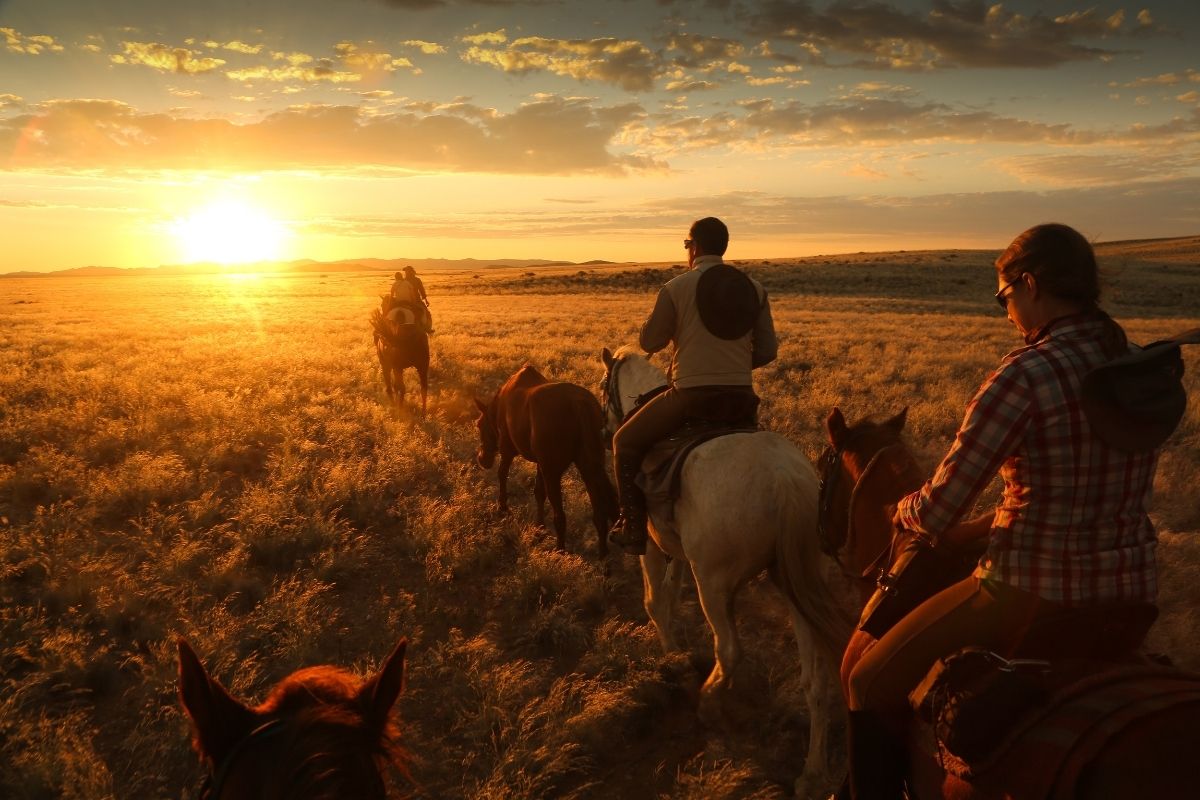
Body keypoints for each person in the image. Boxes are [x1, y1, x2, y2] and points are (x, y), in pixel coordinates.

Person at [840, 223, 1162, 799]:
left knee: (865, 681)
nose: (1006, 310)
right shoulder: (1136, 365)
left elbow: (939, 512)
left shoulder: (1022, 375)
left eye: (1004, 296)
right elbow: (1093, 488)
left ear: (1030, 283)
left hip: (1026, 591)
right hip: (1132, 591)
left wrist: (901, 510)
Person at [607, 216, 778, 555]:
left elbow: (650, 342)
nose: (687, 251)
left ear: (695, 247)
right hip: (742, 400)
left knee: (623, 441)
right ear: (723, 247)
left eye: (687, 245)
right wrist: (735, 365)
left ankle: (633, 527)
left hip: (690, 397)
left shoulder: (676, 287)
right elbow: (769, 350)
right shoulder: (754, 289)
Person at [389, 266, 432, 332]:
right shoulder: (416, 280)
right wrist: (425, 300)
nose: (406, 272)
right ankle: (427, 328)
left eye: (407, 271)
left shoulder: (403, 280)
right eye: (406, 271)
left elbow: (395, 292)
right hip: (415, 300)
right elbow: (421, 290)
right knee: (424, 311)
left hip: (403, 301)